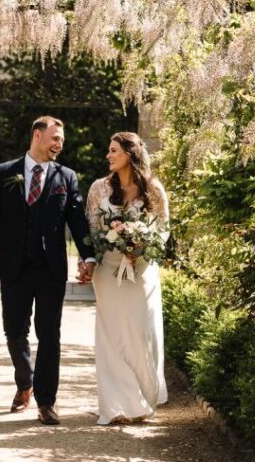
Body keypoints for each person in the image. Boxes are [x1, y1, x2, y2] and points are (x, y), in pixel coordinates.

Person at [0, 116, 96, 425]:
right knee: (14, 331)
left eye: (61, 141)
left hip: (51, 268)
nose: (59, 144)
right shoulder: (4, 173)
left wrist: (88, 256)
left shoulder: (66, 177)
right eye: (55, 138)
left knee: (49, 334)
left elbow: (77, 220)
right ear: (37, 136)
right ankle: (25, 381)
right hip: (14, 266)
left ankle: (46, 402)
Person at [87, 132, 170, 425]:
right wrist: (113, 244)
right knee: (110, 337)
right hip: (108, 271)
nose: (108, 156)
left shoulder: (154, 190)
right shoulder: (99, 189)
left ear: (130, 154)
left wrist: (140, 248)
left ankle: (142, 399)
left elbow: (163, 230)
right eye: (108, 151)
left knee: (140, 334)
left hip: (142, 270)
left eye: (113, 151)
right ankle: (115, 405)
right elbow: (93, 229)